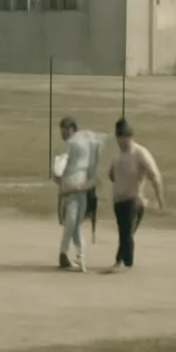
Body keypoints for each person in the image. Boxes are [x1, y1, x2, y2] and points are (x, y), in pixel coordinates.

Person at [106, 118, 163, 273]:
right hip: (118, 200)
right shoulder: (117, 156)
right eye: (118, 138)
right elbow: (111, 175)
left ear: (130, 137)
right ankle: (120, 261)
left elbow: (153, 175)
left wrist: (159, 199)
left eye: (124, 138)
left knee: (126, 231)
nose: (121, 142)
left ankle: (126, 263)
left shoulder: (140, 153)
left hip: (134, 200)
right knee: (124, 232)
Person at [52, 116, 103, 272]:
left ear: (72, 129)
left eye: (65, 130)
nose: (63, 133)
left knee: (74, 223)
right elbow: (59, 171)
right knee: (72, 222)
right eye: (62, 130)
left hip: (79, 188)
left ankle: (72, 254)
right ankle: (71, 254)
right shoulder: (73, 145)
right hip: (73, 190)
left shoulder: (76, 143)